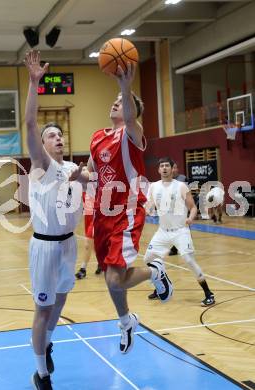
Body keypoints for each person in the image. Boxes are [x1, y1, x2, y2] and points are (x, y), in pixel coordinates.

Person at [73, 62, 173, 354]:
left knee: (115, 278)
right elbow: (91, 173)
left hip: (126, 210)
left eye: (122, 102)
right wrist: (80, 176)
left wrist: (125, 87)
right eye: (114, 101)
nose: (116, 104)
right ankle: (126, 321)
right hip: (103, 213)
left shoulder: (132, 133)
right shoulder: (96, 137)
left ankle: (155, 271)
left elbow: (130, 118)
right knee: (111, 280)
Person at [24, 50, 83, 390]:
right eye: (51, 135)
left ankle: (46, 344)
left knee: (60, 303)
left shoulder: (72, 168)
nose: (57, 137)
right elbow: (30, 122)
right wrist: (35, 83)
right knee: (43, 310)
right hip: (44, 247)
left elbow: (89, 179)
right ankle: (40, 374)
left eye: (60, 134)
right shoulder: (41, 165)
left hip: (68, 244)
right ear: (42, 144)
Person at [145, 157, 215, 307]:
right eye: (161, 166)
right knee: (148, 259)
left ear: (172, 169)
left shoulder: (181, 186)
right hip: (162, 231)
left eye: (167, 166)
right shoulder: (153, 187)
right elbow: (149, 206)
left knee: (189, 260)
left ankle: (209, 294)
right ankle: (160, 287)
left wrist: (190, 218)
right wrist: (146, 210)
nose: (164, 168)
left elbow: (193, 207)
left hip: (180, 231)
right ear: (158, 170)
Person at [75, 191, 102, 279]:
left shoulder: (101, 186)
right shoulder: (84, 187)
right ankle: (101, 262)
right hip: (88, 217)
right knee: (93, 244)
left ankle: (83, 269)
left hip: (98, 217)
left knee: (88, 243)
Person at [169, 163, 187, 255]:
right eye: (173, 168)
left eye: (176, 167)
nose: (175, 169)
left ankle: (176, 248)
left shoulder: (183, 178)